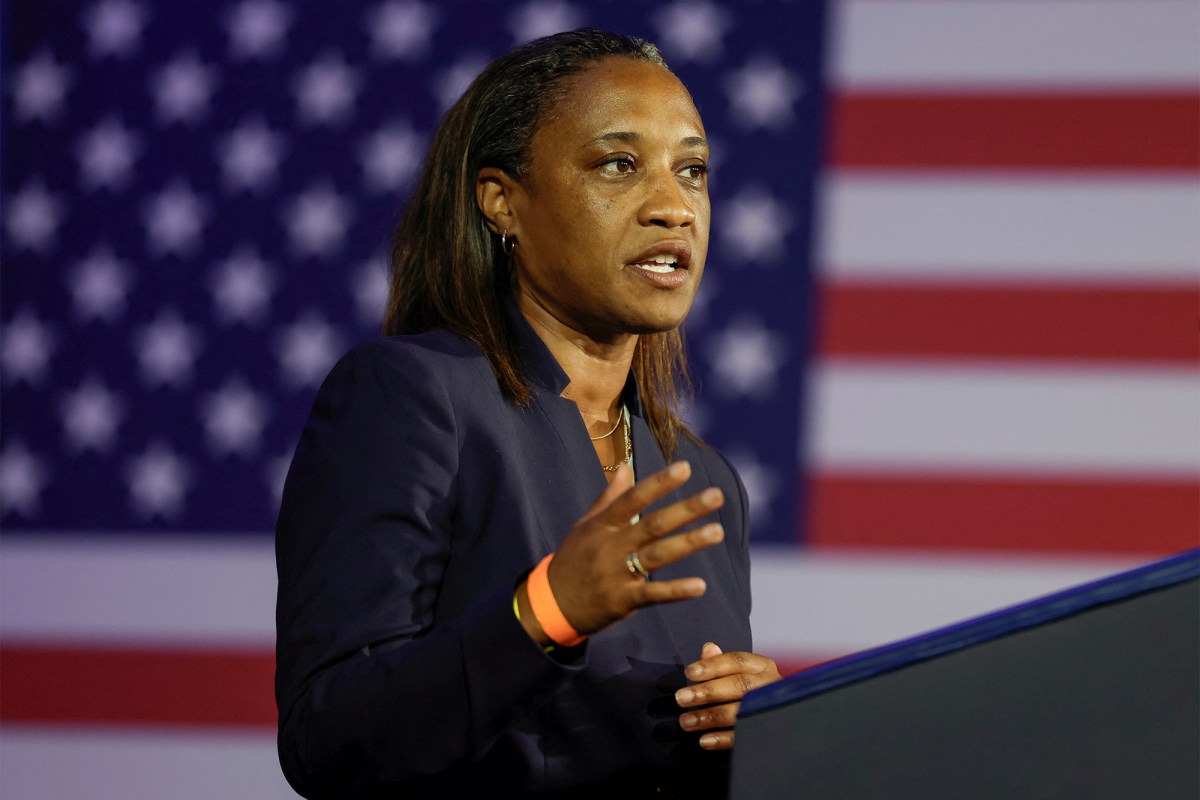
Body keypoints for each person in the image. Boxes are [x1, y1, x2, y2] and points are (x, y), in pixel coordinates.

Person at [274, 28, 781, 799]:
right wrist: (548, 610)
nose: (674, 208)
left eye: (693, 170)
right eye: (619, 164)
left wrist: (755, 730)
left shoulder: (703, 478)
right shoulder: (411, 398)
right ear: (502, 202)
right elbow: (328, 737)